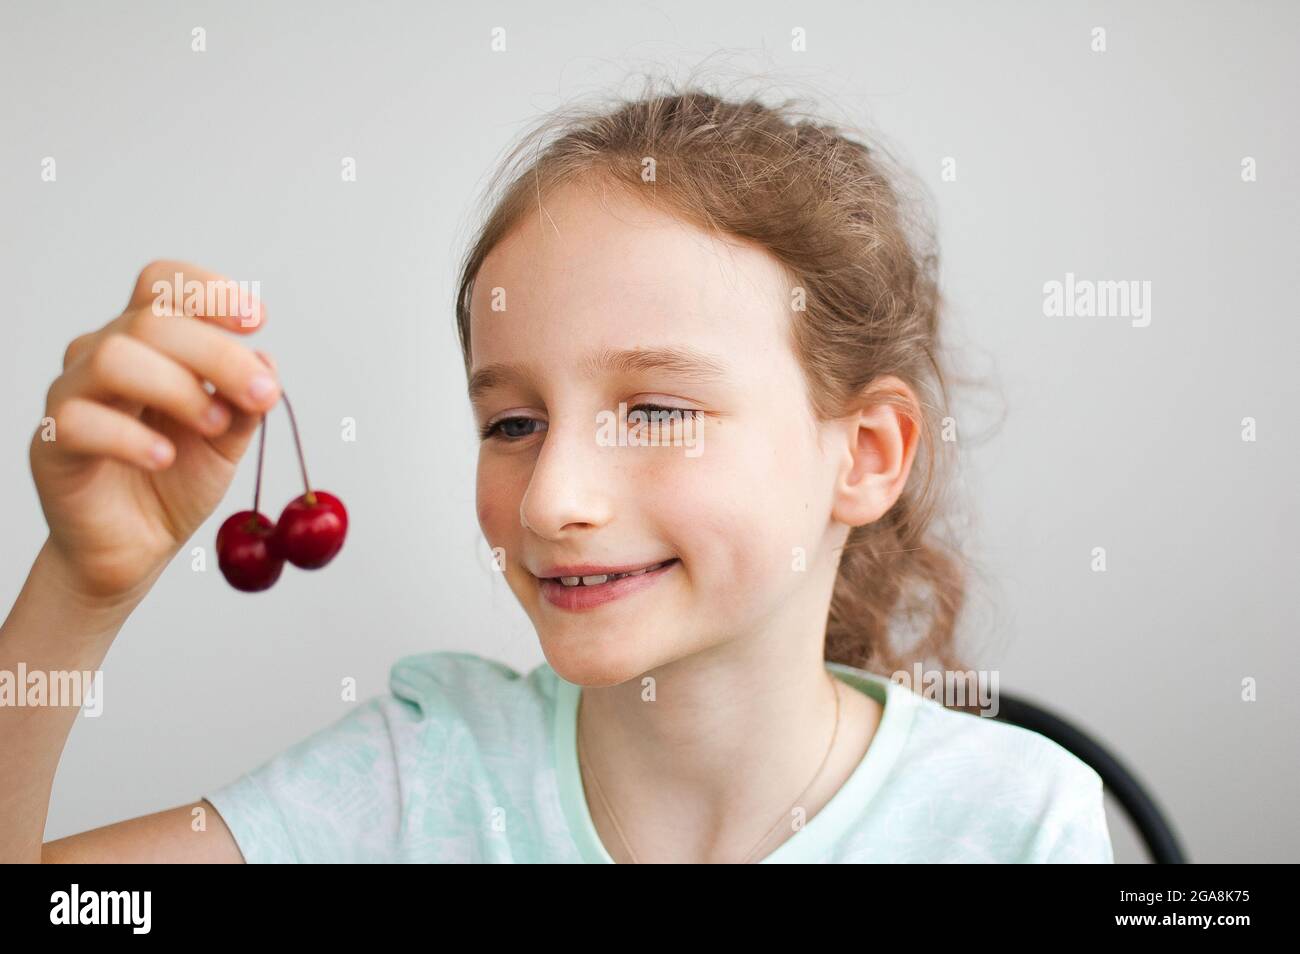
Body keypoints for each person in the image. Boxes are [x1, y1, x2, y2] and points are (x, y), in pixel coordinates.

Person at [1, 82, 1113, 863]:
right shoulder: (415, 783)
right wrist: (80, 590)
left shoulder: (1012, 822)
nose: (551, 500)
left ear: (863, 456)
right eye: (514, 422)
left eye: (657, 409)